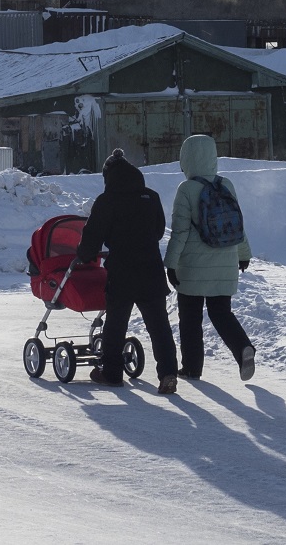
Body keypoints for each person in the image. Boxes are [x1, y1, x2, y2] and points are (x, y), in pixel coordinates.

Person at [76, 148, 179, 394]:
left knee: (116, 323)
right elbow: (158, 231)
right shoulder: (151, 197)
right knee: (159, 325)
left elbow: (92, 236)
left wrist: (84, 255)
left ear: (109, 176)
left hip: (122, 271)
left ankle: (112, 373)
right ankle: (168, 373)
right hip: (151, 268)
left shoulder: (107, 200)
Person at [164, 134, 257, 382]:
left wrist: (170, 264)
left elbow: (180, 232)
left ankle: (192, 367)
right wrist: (244, 254)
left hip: (192, 267)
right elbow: (237, 224)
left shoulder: (186, 189)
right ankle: (243, 348)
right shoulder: (226, 185)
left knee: (190, 318)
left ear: (186, 159)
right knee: (221, 313)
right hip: (225, 262)